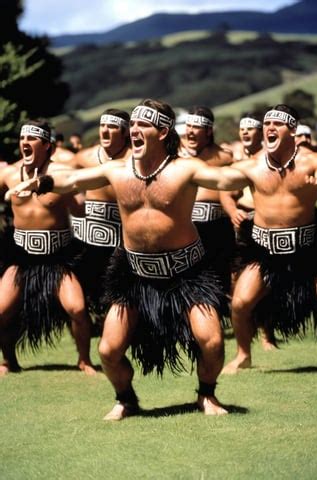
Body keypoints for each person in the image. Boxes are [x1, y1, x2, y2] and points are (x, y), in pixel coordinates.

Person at [7, 99, 249, 417]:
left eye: (142, 125)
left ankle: (206, 395)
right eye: (132, 125)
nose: (133, 130)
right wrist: (40, 182)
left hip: (187, 273)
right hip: (133, 274)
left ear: (162, 132)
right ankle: (126, 399)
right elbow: (73, 180)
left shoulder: (184, 170)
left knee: (213, 341)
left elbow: (227, 180)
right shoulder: (117, 171)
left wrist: (260, 168)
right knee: (108, 350)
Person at [220, 104, 317, 373]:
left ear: (293, 130)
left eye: (278, 124)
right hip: (264, 250)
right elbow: (217, 183)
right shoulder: (252, 166)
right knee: (240, 304)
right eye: (267, 124)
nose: (270, 129)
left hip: (308, 249)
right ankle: (243, 355)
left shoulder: (312, 162)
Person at [0, 119, 96, 376]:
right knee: (1, 310)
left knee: (76, 308)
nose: (24, 144)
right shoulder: (8, 174)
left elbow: (80, 211)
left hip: (58, 256)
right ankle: (9, 361)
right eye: (22, 139)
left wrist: (79, 193)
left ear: (47, 147)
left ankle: (84, 359)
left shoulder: (61, 176)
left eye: (31, 140)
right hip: (21, 255)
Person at [70, 109, 131, 333]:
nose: (105, 130)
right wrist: (75, 203)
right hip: (88, 236)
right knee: (87, 291)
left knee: (121, 294)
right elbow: (66, 174)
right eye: (102, 125)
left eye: (112, 126)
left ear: (125, 132)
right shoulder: (85, 157)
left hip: (124, 237)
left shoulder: (134, 160)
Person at [220, 113, 277, 351]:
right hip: (242, 224)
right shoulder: (237, 163)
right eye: (242, 129)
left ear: (260, 132)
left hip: (266, 224)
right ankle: (246, 341)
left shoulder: (270, 159)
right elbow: (225, 192)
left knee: (268, 281)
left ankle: (267, 336)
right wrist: (232, 210)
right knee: (238, 280)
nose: (245, 132)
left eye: (250, 129)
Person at [183, 106, 235, 293]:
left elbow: (232, 188)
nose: (190, 131)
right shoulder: (175, 152)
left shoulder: (224, 157)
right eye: (188, 125)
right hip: (184, 225)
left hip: (216, 225)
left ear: (208, 131)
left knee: (219, 277)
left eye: (195, 127)